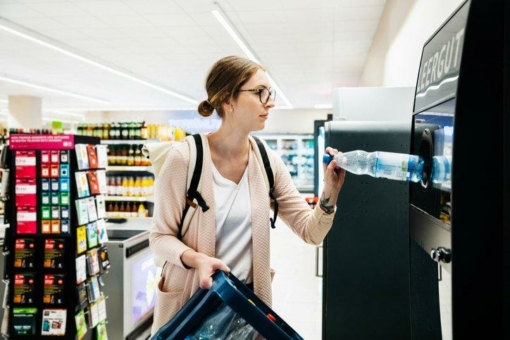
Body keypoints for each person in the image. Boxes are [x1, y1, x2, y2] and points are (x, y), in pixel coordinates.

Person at [149, 55, 346, 336]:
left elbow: (310, 232)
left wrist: (330, 190)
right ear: (228, 100)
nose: (270, 101)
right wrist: (197, 259)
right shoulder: (185, 159)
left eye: (270, 92)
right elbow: (159, 238)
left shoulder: (267, 161)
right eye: (259, 92)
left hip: (245, 310)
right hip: (192, 305)